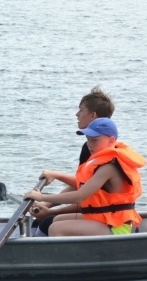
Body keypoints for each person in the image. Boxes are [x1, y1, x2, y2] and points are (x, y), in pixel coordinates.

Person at [24, 117, 145, 237]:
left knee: (57, 228)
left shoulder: (109, 167)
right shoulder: (102, 162)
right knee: (57, 220)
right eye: (88, 140)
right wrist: (56, 175)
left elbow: (80, 196)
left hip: (116, 227)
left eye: (95, 140)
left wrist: (41, 197)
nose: (89, 145)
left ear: (111, 140)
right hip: (105, 219)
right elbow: (83, 184)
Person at [31, 87, 116, 235]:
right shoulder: (94, 147)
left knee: (48, 223)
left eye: (81, 110)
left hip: (108, 219)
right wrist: (48, 204)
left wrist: (48, 205)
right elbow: (82, 184)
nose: (77, 114)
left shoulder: (106, 159)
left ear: (92, 115)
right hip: (97, 213)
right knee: (44, 221)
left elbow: (82, 194)